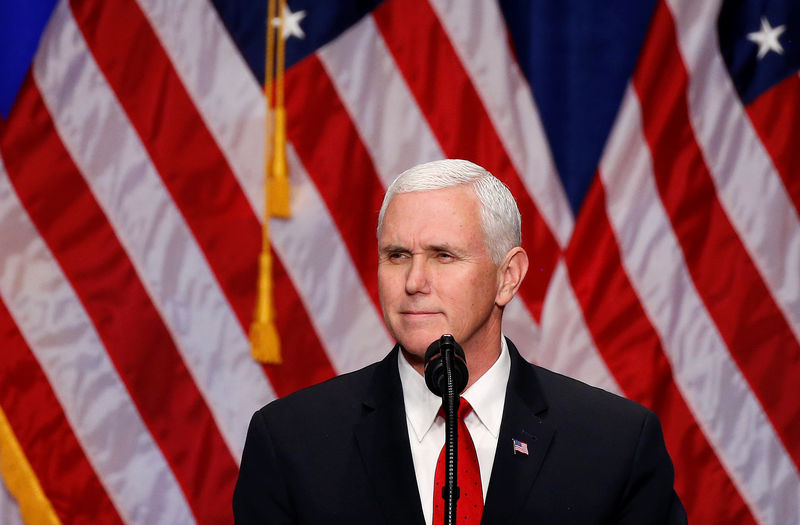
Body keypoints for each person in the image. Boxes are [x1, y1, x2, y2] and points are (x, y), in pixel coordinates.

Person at [233, 159, 687, 524]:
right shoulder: (291, 440)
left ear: (507, 277)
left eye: (443, 256)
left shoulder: (615, 443)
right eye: (397, 256)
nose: (413, 281)